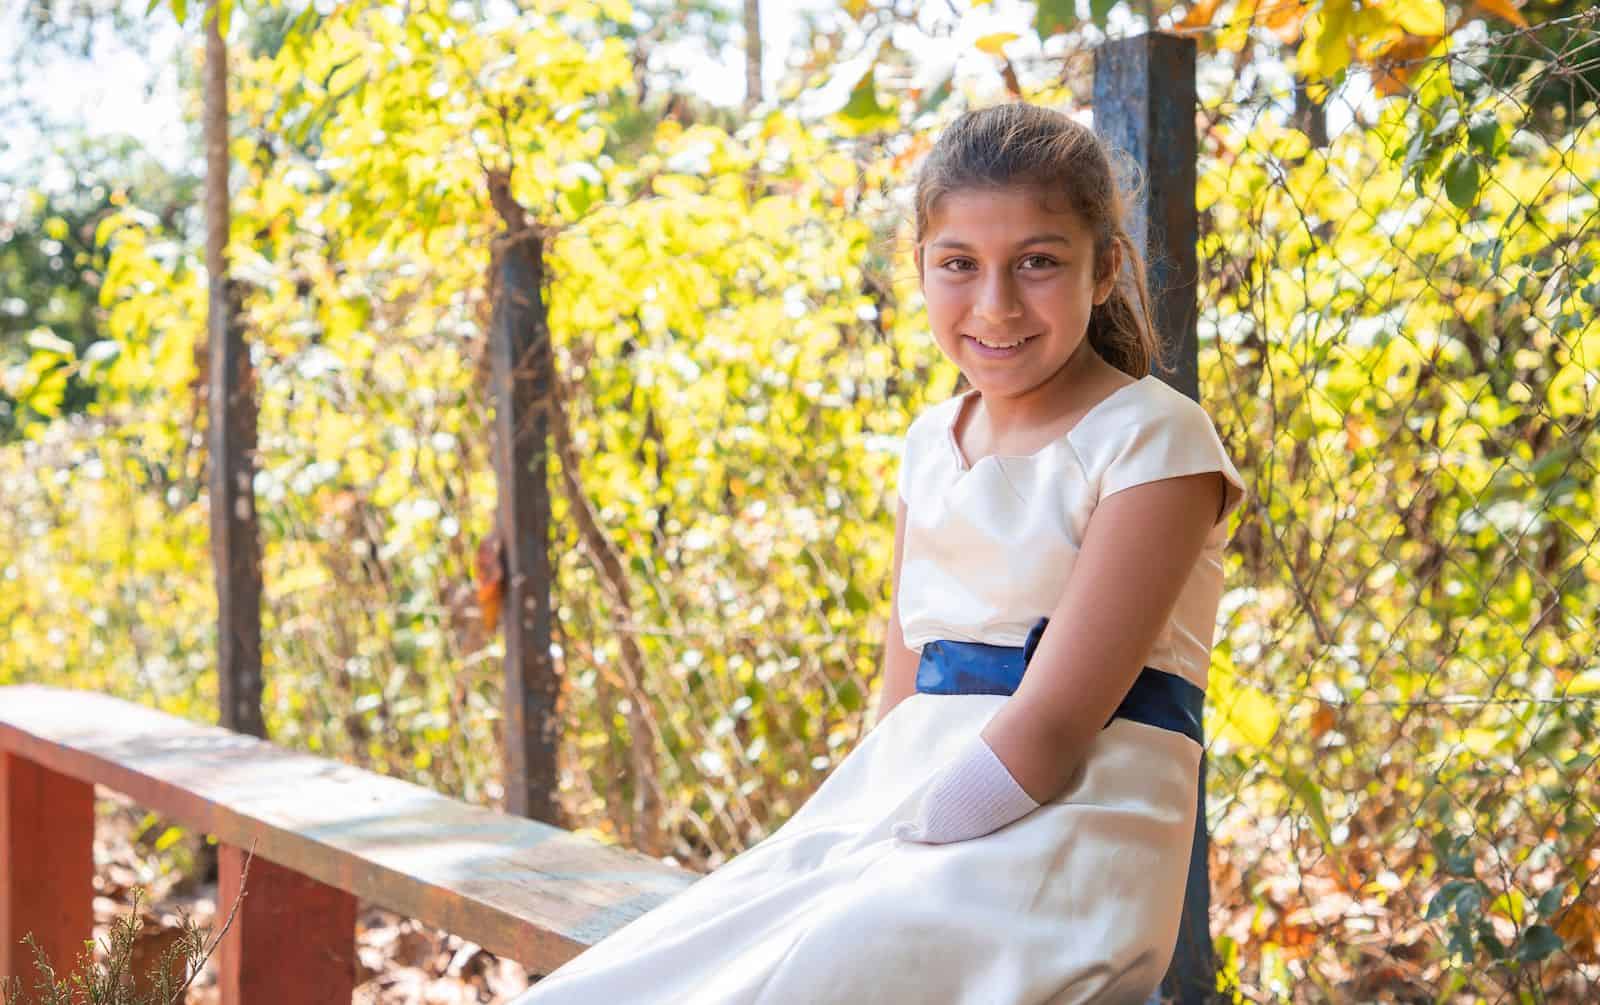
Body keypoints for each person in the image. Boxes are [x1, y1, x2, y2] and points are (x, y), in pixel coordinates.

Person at [512, 102, 1248, 1005]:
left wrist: (890, 839)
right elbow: (901, 709)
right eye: (959, 266)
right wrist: (839, 840)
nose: (997, 304)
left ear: (1105, 270)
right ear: (921, 271)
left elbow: (1054, 728)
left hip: (1062, 841)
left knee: (814, 964)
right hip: (910, 814)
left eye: (1039, 262)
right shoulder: (931, 441)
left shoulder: (1154, 439)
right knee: (645, 972)